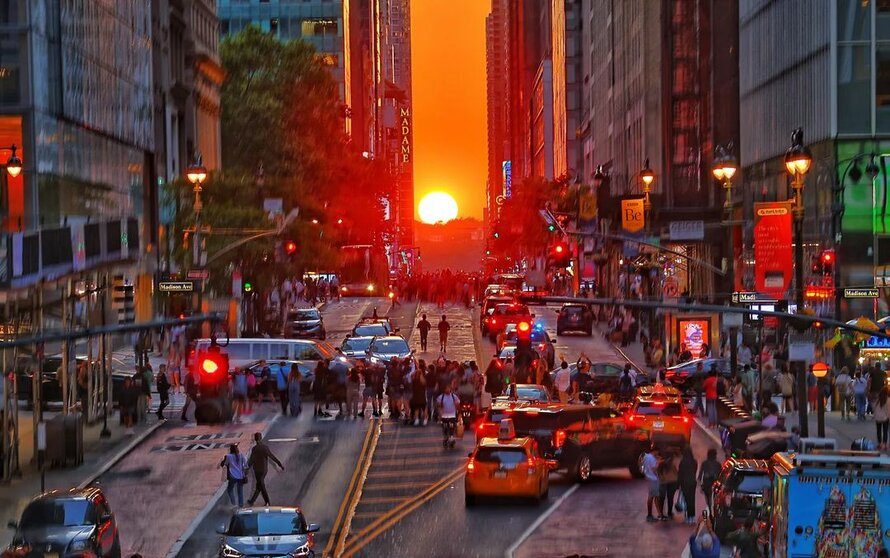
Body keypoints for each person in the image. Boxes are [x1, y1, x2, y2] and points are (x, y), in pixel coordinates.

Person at [246, 433, 284, 506]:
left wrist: (247, 469)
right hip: (263, 470)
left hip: (256, 470)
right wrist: (279, 464)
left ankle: (267, 502)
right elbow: (272, 456)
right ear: (261, 438)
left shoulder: (254, 449)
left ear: (255, 439)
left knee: (261, 485)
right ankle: (252, 501)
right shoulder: (265, 447)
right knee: (259, 485)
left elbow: (251, 460)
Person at [220, 443, 248, 508]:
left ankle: (233, 503)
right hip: (241, 476)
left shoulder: (228, 456)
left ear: (230, 450)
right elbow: (246, 465)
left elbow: (224, 464)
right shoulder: (241, 455)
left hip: (232, 476)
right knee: (240, 491)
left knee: (230, 489)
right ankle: (241, 506)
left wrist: (222, 460)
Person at [657, 447, 680, 521]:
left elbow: (658, 472)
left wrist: (661, 478)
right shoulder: (674, 462)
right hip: (673, 481)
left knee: (662, 498)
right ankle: (669, 512)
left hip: (663, 482)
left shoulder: (661, 462)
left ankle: (661, 513)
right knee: (670, 498)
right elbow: (677, 473)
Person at [678, 446, 698, 524]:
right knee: (692, 500)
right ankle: (692, 517)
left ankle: (688, 517)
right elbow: (695, 470)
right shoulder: (694, 461)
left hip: (685, 482)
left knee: (687, 500)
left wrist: (678, 484)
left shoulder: (683, 462)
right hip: (692, 482)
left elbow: (680, 473)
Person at [437, 384, 459, 449]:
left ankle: (451, 438)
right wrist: (439, 414)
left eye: (449, 388)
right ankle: (446, 438)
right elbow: (438, 406)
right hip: (444, 416)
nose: (448, 390)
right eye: (446, 389)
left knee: (452, 427)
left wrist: (459, 413)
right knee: (445, 428)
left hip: (452, 416)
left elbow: (457, 404)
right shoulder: (441, 397)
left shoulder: (454, 396)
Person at [642, 444, 660, 522]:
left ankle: (650, 515)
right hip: (653, 479)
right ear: (655, 451)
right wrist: (658, 463)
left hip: (648, 477)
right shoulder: (652, 459)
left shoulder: (646, 456)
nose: (658, 454)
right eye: (657, 452)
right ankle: (649, 515)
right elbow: (654, 469)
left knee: (651, 496)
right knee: (651, 496)